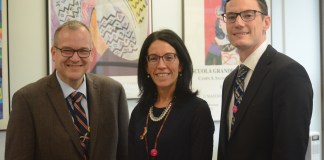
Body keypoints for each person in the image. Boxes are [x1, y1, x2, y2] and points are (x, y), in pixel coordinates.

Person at [5, 20, 129, 160]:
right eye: (67, 50)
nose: (75, 58)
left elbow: (125, 153)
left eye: (83, 51)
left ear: (91, 54)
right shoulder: (27, 100)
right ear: (53, 53)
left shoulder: (113, 92)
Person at [217, 0, 313, 160]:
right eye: (232, 16)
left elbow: (291, 151)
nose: (239, 23)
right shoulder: (230, 81)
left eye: (248, 15)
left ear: (266, 22)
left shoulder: (289, 74)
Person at [128, 29, 215, 160]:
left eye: (169, 57)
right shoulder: (138, 112)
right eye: (153, 58)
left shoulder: (197, 110)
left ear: (181, 65)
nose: (161, 65)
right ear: (146, 67)